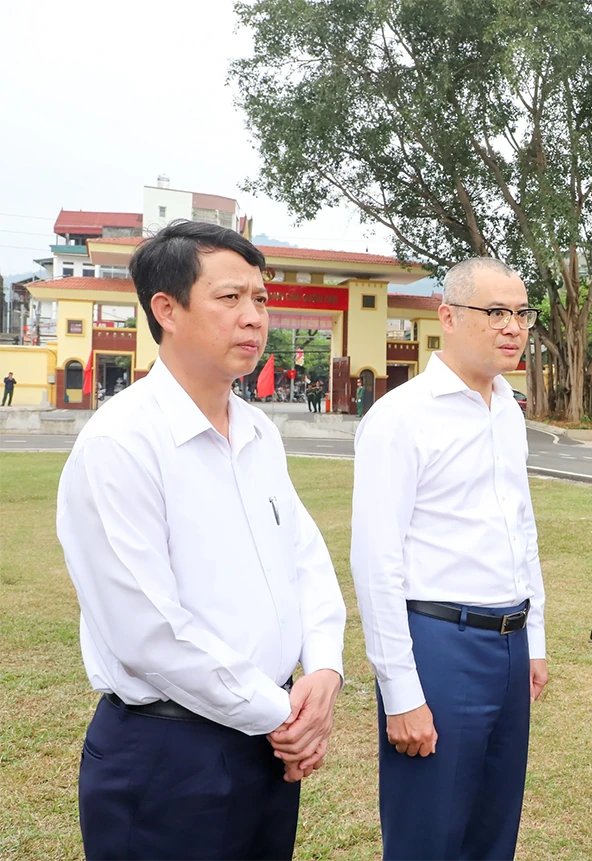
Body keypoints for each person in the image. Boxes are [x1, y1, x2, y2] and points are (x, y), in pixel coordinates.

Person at [56, 220, 347, 860]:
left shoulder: (259, 432)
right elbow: (148, 633)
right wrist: (282, 714)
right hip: (170, 756)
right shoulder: (120, 444)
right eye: (229, 298)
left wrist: (324, 668)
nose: (254, 317)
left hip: (267, 746)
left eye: (260, 298)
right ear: (167, 309)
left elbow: (305, 559)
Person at [351, 256, 548, 861]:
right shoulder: (401, 416)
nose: (512, 327)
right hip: (440, 643)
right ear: (449, 317)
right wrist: (401, 691)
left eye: (522, 313)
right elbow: (376, 561)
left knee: (493, 831)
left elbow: (521, 527)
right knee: (428, 833)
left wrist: (534, 640)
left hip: (509, 642)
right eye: (496, 312)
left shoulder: (506, 408)